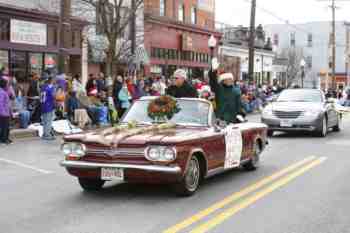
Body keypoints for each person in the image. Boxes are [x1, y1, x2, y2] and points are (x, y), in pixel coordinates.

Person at [0, 78, 12, 144]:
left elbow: (11, 96)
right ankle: (4, 139)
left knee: (6, 127)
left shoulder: (4, 91)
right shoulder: (1, 92)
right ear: (4, 84)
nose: (8, 85)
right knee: (4, 127)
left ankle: (6, 138)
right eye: (7, 84)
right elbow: (0, 103)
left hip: (6, 112)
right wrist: (3, 113)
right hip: (3, 113)